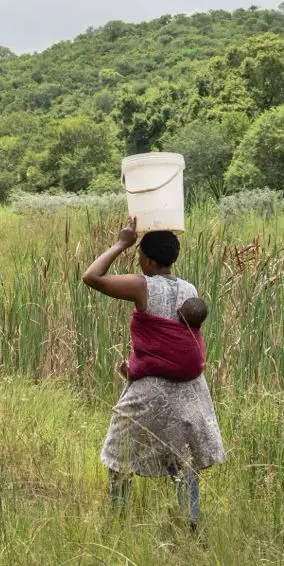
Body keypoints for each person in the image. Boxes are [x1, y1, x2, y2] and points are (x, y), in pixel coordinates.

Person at [83, 218, 225, 529]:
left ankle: (117, 522)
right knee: (183, 458)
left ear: (147, 260)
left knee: (118, 452)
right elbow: (177, 343)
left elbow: (91, 277)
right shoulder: (189, 289)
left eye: (139, 256)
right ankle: (191, 522)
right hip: (191, 390)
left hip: (152, 390)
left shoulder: (142, 285)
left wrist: (121, 243)